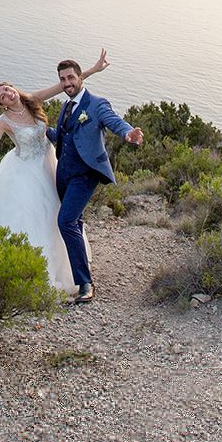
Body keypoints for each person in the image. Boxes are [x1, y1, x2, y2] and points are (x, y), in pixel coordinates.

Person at [0, 51, 110, 295]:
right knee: (30, 217)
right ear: (2, 104)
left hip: (49, 165)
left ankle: (71, 267)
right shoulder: (3, 122)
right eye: (2, 96)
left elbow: (63, 86)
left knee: (58, 214)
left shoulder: (32, 100)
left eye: (7, 88)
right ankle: (31, 269)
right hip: (24, 172)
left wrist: (93, 70)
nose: (8, 93)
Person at [47, 59, 144, 303]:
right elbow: (60, 136)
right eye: (62, 79)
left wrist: (128, 134)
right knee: (74, 221)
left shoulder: (97, 104)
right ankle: (76, 267)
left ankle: (85, 284)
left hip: (86, 173)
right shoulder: (65, 107)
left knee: (66, 221)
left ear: (80, 78)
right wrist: (37, 127)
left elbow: (114, 122)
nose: (67, 83)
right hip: (63, 172)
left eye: (71, 78)